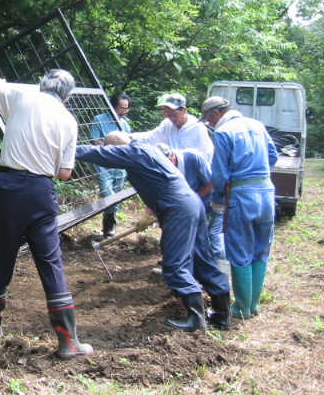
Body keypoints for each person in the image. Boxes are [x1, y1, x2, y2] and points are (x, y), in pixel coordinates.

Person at [0, 69, 93, 360]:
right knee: (50, 260)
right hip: (42, 191)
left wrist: (3, 82)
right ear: (67, 96)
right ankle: (69, 341)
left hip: (9, 187)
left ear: (42, 84)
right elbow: (65, 173)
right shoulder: (69, 120)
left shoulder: (22, 94)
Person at [77, 131, 231, 331]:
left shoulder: (133, 152)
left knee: (175, 263)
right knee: (202, 259)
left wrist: (65, 148)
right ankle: (221, 315)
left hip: (178, 208)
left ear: (117, 148)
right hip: (192, 204)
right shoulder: (146, 149)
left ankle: (195, 319)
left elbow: (96, 153)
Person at [200, 96, 278, 320]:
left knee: (240, 250)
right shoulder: (257, 125)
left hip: (242, 196)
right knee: (260, 250)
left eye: (208, 119)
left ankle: (241, 308)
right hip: (266, 190)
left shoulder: (224, 132)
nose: (209, 124)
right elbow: (272, 155)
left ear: (215, 114)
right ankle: (253, 305)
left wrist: (217, 200)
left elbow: (220, 173)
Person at [155, 143, 226, 263]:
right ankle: (177, 261)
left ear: (171, 159)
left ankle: (221, 272)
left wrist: (191, 200)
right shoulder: (161, 168)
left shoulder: (194, 158)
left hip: (214, 205)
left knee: (214, 238)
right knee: (180, 232)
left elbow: (211, 183)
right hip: (189, 207)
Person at [89, 93, 133, 237]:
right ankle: (111, 226)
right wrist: (113, 146)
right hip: (102, 164)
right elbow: (94, 141)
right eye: (121, 108)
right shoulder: (99, 120)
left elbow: (130, 144)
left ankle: (108, 225)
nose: (124, 111)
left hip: (120, 165)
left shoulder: (124, 124)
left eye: (126, 109)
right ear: (113, 106)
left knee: (118, 195)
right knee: (108, 194)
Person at [131, 93, 214, 161]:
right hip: (172, 170)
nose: (172, 118)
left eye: (174, 114)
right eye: (169, 115)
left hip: (191, 171)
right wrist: (131, 136)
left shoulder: (197, 126)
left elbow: (207, 153)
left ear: (184, 110)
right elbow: (152, 137)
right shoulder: (167, 124)